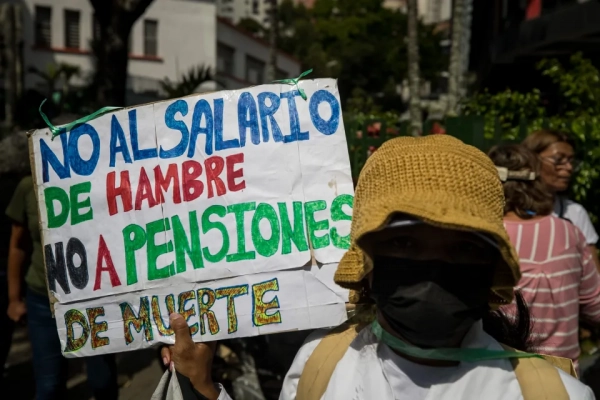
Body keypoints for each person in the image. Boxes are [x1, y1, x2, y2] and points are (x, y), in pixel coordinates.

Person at [159, 135, 594, 400]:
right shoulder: (318, 367)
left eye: (460, 247)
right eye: (403, 242)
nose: (432, 266)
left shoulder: (554, 394)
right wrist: (203, 388)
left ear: (489, 265)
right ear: (366, 263)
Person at [6, 176, 119, 400]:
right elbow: (17, 246)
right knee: (49, 385)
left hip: (93, 299)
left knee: (102, 380)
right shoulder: (29, 186)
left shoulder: (101, 175)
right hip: (43, 301)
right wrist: (14, 299)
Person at [489, 144, 600, 369]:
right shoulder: (569, 233)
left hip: (502, 371)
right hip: (563, 375)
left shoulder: (486, 237)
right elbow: (595, 306)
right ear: (538, 181)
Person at [522, 130, 600, 269]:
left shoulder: (574, 213)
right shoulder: (511, 209)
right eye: (558, 160)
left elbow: (594, 273)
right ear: (532, 160)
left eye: (571, 161)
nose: (569, 167)